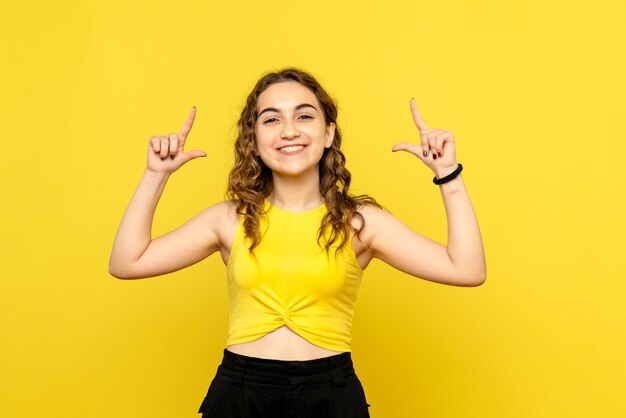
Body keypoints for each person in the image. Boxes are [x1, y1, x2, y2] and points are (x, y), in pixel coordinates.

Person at [108, 67, 486, 418]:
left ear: (328, 133)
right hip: (241, 394)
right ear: (253, 140)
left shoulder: (359, 223)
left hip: (331, 394)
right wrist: (155, 175)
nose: (289, 130)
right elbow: (128, 263)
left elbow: (466, 269)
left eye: (304, 116)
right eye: (271, 119)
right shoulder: (230, 219)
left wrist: (448, 175)